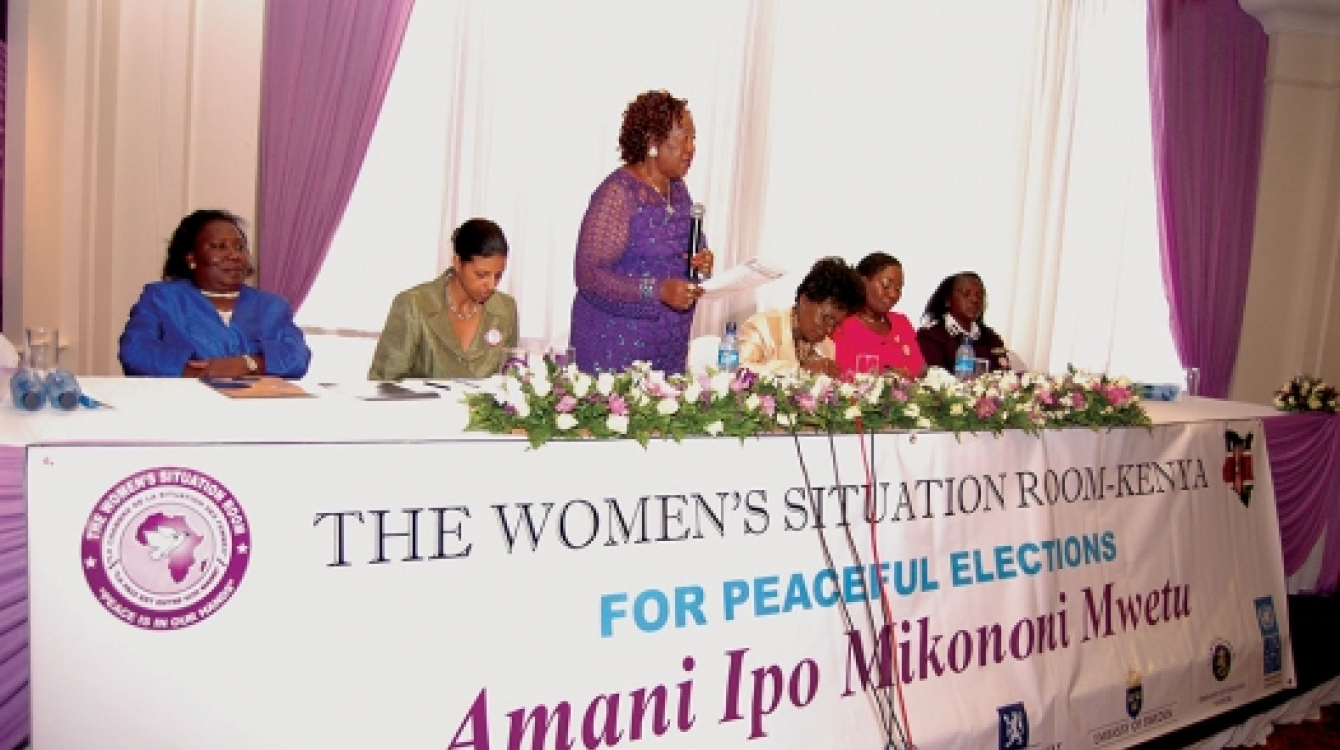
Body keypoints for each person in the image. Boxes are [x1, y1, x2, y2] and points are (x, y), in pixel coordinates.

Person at [568, 90, 714, 374]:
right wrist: (658, 290)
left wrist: (702, 261)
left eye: (693, 139)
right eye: (683, 137)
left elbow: (684, 248)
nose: (691, 148)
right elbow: (589, 275)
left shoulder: (678, 190)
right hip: (615, 351)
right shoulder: (618, 194)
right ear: (652, 141)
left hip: (667, 347)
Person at [118, 209, 310, 378]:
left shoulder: (271, 306)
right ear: (191, 257)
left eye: (240, 247)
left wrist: (246, 364)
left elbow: (297, 357)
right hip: (182, 406)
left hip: (255, 409)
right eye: (219, 246)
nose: (234, 255)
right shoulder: (162, 298)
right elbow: (135, 351)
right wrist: (193, 372)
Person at [368, 218, 518, 380]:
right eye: (481, 275)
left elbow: (509, 382)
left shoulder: (505, 309)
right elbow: (384, 382)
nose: (491, 284)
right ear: (457, 263)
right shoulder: (414, 305)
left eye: (498, 275)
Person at [737, 257, 865, 377]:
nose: (829, 330)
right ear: (804, 300)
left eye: (835, 325)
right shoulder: (762, 327)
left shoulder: (827, 346)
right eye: (826, 319)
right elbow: (737, 370)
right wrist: (800, 370)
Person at [830, 252, 926, 379]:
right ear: (863, 282)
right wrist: (884, 380)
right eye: (886, 285)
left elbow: (920, 373)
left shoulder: (901, 322)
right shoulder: (842, 323)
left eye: (898, 289)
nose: (893, 294)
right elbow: (837, 379)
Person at [916, 271, 1011, 373]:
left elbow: (1005, 376)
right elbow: (935, 379)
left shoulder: (992, 338)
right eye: (966, 294)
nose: (974, 300)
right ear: (947, 300)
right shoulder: (930, 336)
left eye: (979, 295)